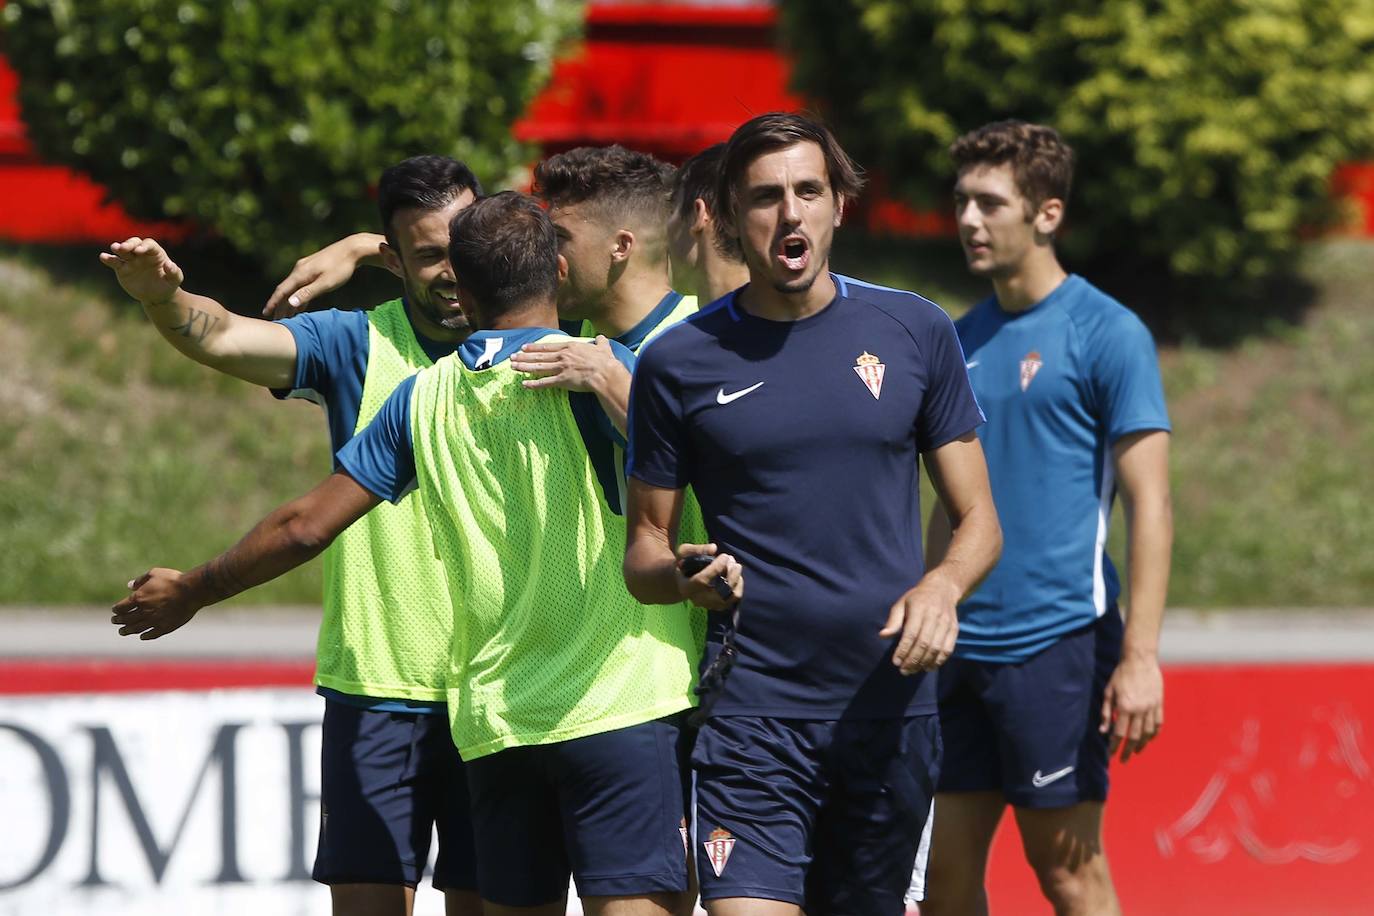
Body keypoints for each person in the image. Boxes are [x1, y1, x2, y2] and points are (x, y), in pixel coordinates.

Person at [111, 191, 704, 916]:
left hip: (501, 720)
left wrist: (198, 586)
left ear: (464, 286)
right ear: (555, 267)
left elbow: (306, 525)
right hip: (624, 707)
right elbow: (728, 451)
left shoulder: (422, 399)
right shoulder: (610, 370)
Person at [622, 112, 1003, 916]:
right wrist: (682, 580)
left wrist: (941, 590)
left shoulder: (915, 331)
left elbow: (979, 522)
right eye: (765, 197)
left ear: (838, 205)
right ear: (728, 216)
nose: (789, 213)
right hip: (751, 715)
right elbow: (644, 553)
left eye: (807, 191)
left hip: (888, 711)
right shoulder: (676, 363)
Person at [100, 154, 484, 916]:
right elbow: (227, 340)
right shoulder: (353, 342)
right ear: (396, 258)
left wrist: (351, 246)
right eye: (427, 254)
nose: (449, 271)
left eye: (461, 246)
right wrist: (163, 301)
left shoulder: (547, 332)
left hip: (507, 688)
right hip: (377, 685)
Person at [921, 120, 1173, 916]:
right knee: (942, 881)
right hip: (959, 648)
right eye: (961, 201)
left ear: (1048, 214)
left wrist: (1140, 658)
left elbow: (1151, 504)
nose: (968, 220)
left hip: (1058, 643)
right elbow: (950, 506)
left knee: (1066, 871)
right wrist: (929, 601)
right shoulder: (953, 340)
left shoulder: (1109, 333)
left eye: (990, 203)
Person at [664, 142, 750, 304]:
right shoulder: (792, 320)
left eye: (671, 210)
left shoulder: (680, 330)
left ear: (699, 215)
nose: (665, 231)